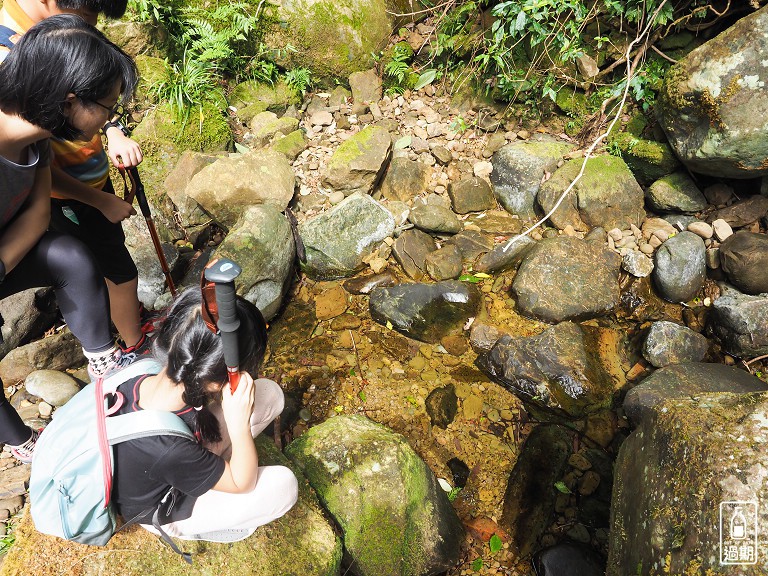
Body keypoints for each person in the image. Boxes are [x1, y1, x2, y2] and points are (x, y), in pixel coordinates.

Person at [0, 14, 139, 462]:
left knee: (71, 257)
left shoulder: (36, 139)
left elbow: (40, 215)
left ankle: (104, 363)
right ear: (70, 99)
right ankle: (23, 443)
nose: (109, 119)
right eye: (108, 108)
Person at [110, 287, 298, 542]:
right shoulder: (169, 448)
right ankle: (199, 523)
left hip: (169, 459)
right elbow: (243, 483)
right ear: (216, 377)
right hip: (164, 502)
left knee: (269, 394)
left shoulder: (145, 371)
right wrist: (238, 424)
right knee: (284, 485)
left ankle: (219, 469)